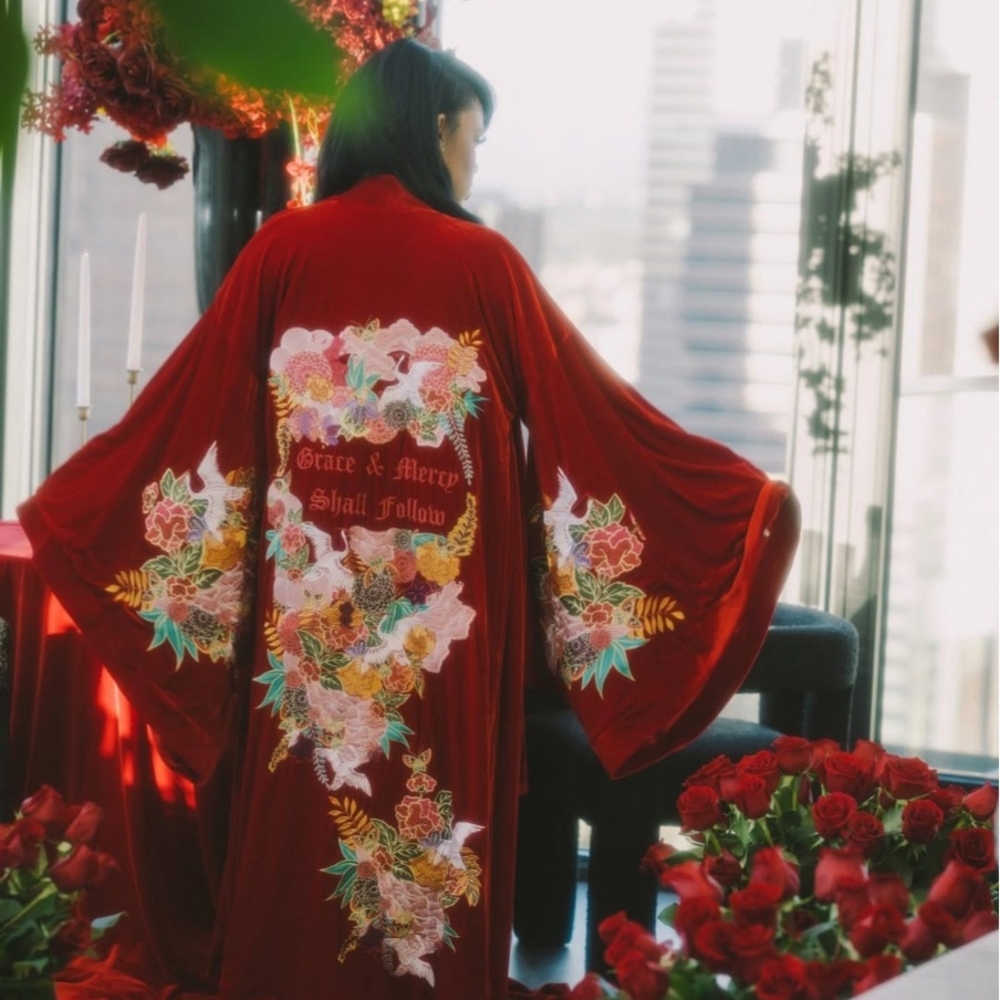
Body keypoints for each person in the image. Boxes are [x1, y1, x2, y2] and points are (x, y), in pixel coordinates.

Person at [20, 38, 799, 1000]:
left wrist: (80, 509)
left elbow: (197, 412)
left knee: (300, 835)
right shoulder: (484, 263)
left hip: (306, 642)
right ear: (435, 132)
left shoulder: (281, 250)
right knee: (433, 850)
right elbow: (589, 414)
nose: (474, 164)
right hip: (440, 646)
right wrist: (735, 505)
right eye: (474, 139)